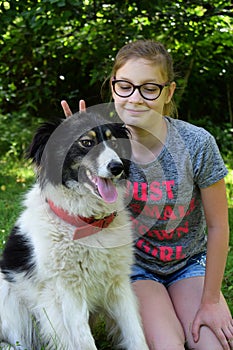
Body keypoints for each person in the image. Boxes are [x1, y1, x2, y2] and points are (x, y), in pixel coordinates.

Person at [61, 40, 233, 350]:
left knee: (213, 345)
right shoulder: (103, 149)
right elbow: (71, 217)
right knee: (168, 345)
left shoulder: (197, 144)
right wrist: (78, 140)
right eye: (125, 86)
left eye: (149, 88)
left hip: (188, 264)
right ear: (113, 87)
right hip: (136, 268)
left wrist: (211, 301)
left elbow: (219, 226)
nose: (135, 98)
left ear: (168, 92)